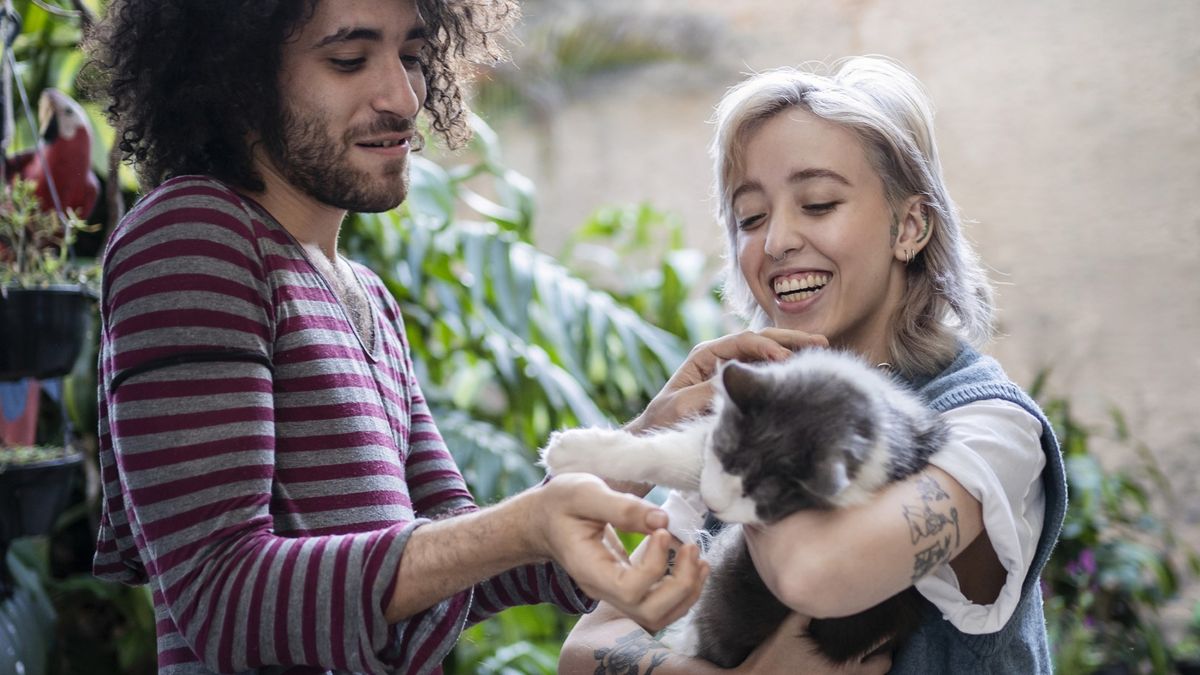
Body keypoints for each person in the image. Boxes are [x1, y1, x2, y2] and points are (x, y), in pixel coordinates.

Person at [83, 1, 711, 673]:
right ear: (234, 75)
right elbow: (223, 596)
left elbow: (459, 562)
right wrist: (522, 525)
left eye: (412, 55)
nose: (403, 96)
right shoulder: (192, 239)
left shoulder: (368, 297)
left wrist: (647, 443)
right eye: (348, 60)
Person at [560, 57, 1067, 674]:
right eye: (750, 217)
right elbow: (587, 648)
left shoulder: (989, 428)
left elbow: (815, 574)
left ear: (909, 226)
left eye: (819, 203)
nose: (775, 242)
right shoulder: (749, 410)